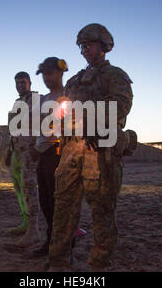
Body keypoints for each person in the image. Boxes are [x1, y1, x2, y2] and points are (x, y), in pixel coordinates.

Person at [48, 24, 134, 271]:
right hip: (71, 149)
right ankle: (58, 263)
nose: (85, 50)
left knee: (102, 210)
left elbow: (121, 105)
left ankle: (99, 265)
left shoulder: (115, 76)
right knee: (63, 206)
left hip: (100, 150)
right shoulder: (74, 80)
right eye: (82, 46)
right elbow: (62, 110)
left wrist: (87, 116)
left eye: (90, 45)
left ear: (104, 46)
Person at [29, 57, 68, 257]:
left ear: (61, 73)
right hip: (44, 154)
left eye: (50, 73)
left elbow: (58, 129)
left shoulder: (66, 97)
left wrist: (40, 148)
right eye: (44, 74)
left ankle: (63, 246)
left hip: (57, 154)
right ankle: (51, 241)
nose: (46, 77)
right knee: (45, 201)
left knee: (58, 202)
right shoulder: (45, 99)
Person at [6, 71, 40, 247]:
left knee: (29, 190)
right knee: (19, 189)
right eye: (17, 83)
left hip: (29, 152)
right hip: (16, 151)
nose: (20, 86)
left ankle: (34, 230)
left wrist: (36, 148)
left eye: (23, 83)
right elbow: (13, 128)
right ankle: (25, 223)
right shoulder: (17, 102)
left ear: (30, 83)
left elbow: (44, 124)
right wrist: (9, 150)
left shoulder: (36, 100)